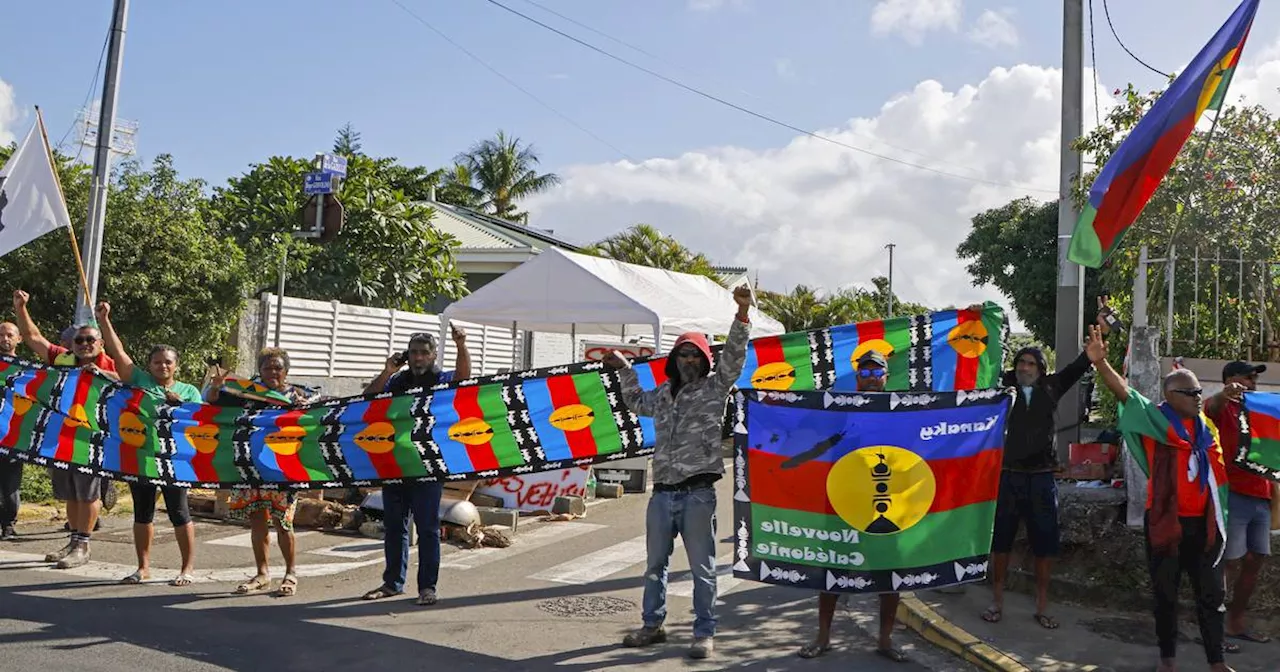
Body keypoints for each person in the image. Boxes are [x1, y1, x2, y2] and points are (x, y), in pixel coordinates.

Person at [604, 284, 754, 660]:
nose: (689, 360)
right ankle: (652, 626)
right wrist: (624, 369)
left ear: (704, 360)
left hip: (699, 494)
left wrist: (741, 314)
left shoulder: (715, 389)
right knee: (654, 566)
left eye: (695, 355)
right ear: (674, 359)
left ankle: (704, 633)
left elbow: (734, 360)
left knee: (703, 570)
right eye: (683, 354)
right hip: (662, 494)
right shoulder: (662, 395)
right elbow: (636, 401)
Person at [1090, 324, 1233, 672]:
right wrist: (1101, 364)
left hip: (1205, 526)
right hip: (1167, 525)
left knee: (1212, 597)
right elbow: (1125, 393)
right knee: (1166, 595)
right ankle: (1167, 659)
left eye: (1200, 390)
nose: (1198, 396)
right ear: (1170, 396)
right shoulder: (1156, 421)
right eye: (1190, 391)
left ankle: (1216, 662)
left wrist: (1222, 395)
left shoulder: (1203, 426)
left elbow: (1208, 407)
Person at [797, 350, 907, 663]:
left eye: (877, 373)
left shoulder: (902, 410)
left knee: (889, 574)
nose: (871, 379)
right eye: (865, 373)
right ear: (857, 378)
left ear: (886, 377)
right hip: (842, 503)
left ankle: (885, 640)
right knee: (832, 570)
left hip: (885, 506)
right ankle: (823, 637)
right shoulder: (838, 407)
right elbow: (806, 424)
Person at [983, 334, 1095, 629]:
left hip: (1042, 478)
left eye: (1031, 364)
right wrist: (982, 326)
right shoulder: (1005, 387)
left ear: (1041, 370)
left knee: (1045, 544)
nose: (1024, 368)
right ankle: (996, 601)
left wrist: (1092, 351)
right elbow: (985, 360)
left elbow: (1075, 369)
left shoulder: (1051, 387)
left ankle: (1042, 605)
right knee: (1001, 541)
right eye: (1021, 362)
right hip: (1008, 475)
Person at [95, 301, 203, 586]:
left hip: (174, 461)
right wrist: (105, 320)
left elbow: (202, 423)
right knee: (143, 513)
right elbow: (118, 354)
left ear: (176, 365)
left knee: (180, 512)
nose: (163, 365)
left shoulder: (189, 390)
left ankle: (187, 568)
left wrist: (181, 406)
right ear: (150, 365)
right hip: (141, 457)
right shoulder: (139, 380)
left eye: (168, 361)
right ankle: (143, 568)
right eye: (157, 362)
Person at [361, 326, 470, 606]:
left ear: (433, 355)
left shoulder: (440, 379)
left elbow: (463, 378)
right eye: (413, 353)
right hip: (395, 464)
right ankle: (392, 583)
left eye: (424, 353)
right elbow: (370, 396)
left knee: (428, 528)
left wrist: (461, 345)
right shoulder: (397, 380)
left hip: (428, 465)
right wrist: (387, 370)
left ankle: (427, 588)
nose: (418, 357)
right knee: (395, 527)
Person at [13, 290, 118, 568]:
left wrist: (102, 373)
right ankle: (73, 541)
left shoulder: (109, 363)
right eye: (79, 340)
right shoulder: (62, 359)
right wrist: (21, 308)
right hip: (60, 438)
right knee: (70, 493)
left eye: (90, 340)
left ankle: (84, 544)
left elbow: (133, 382)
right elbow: (34, 339)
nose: (84, 344)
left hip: (94, 439)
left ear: (101, 343)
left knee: (88, 493)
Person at [207, 347, 320, 597]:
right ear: (259, 371)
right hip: (250, 466)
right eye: (267, 368)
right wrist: (216, 385)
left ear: (286, 371)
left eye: (278, 368)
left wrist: (305, 408)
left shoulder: (300, 395)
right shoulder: (247, 392)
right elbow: (212, 401)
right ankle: (262, 573)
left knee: (284, 522)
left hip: (283, 469)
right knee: (257, 521)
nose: (272, 372)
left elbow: (320, 411)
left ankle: (290, 573)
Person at [1206, 360, 1273, 646]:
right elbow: (1207, 410)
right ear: (1230, 380)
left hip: (1262, 495)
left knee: (1255, 559)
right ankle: (1213, 629)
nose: (1252, 384)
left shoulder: (1259, 410)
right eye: (1247, 378)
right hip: (1233, 493)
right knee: (1228, 562)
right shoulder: (1224, 409)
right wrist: (1224, 395)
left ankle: (1235, 622)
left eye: (1254, 379)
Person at [0, 321, 24, 541]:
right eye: (1, 335)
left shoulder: (27, 370)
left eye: (10, 335)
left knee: (10, 486)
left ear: (19, 339)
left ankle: (9, 524)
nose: (5, 339)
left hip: (12, 436)